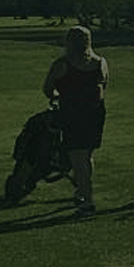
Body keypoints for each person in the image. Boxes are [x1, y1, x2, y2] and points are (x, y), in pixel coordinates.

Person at [42, 25, 108, 216]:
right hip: (95, 114)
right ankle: (81, 192)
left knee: (78, 158)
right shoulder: (101, 62)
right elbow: (104, 86)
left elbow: (48, 89)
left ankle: (87, 202)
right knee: (86, 156)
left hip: (72, 114)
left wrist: (57, 96)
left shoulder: (62, 64)